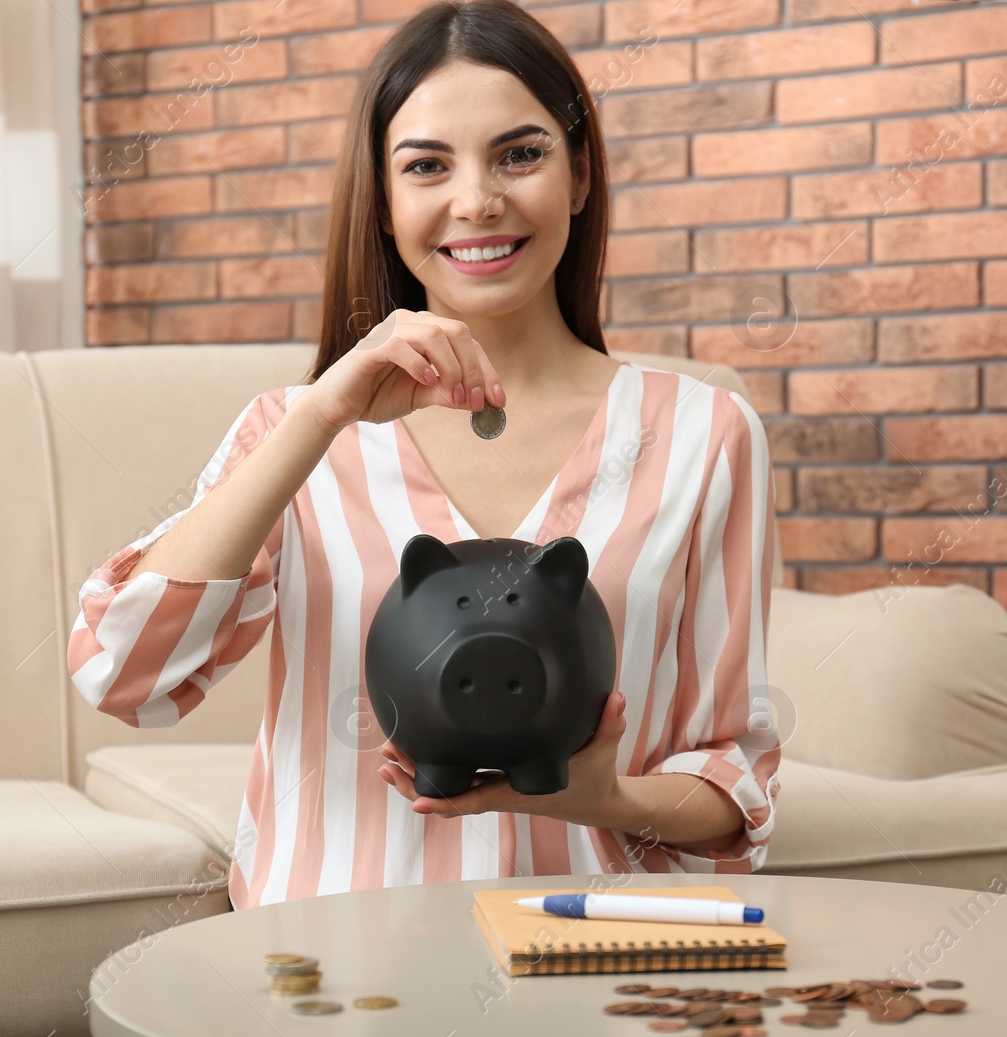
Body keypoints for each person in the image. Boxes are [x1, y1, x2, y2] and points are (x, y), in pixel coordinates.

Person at [66, 0, 781, 908]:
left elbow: (737, 786)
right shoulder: (296, 433)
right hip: (330, 958)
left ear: (580, 175)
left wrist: (608, 798)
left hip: (582, 956)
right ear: (386, 199)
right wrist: (319, 417)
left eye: (520, 154)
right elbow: (122, 675)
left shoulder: (704, 434)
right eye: (427, 167)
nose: (476, 200)